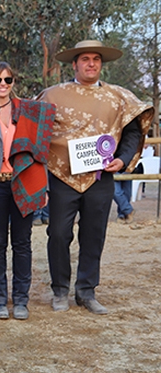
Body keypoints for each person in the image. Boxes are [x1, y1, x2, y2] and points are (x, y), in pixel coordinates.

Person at [37, 40, 153, 315]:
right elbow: (36, 131)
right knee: (58, 234)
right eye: (85, 59)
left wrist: (123, 159)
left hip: (100, 179)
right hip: (62, 177)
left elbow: (134, 131)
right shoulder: (53, 95)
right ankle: (60, 290)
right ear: (75, 64)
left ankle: (86, 291)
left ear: (101, 64)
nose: (91, 63)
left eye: (96, 59)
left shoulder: (119, 97)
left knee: (93, 235)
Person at [0, 62, 54, 320]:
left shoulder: (28, 110)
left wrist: (44, 185)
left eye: (8, 80)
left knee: (22, 242)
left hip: (23, 181)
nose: (3, 85)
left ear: (13, 82)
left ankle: (20, 300)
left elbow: (41, 149)